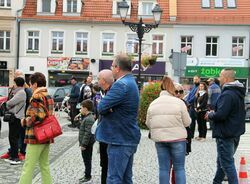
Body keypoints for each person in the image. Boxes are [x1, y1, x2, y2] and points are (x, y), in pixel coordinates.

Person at [95, 53, 141, 184]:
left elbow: (101, 107)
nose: (111, 68)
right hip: (127, 137)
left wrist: (109, 108)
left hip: (119, 139)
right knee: (126, 179)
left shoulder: (121, 84)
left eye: (112, 65)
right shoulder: (131, 82)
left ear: (117, 68)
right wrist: (110, 108)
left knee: (114, 179)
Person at [146, 76, 191, 184]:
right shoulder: (179, 102)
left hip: (160, 139)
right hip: (178, 139)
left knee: (163, 169)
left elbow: (148, 123)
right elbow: (187, 122)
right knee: (179, 168)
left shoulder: (153, 103)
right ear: (172, 89)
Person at [205, 68, 246, 184]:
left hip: (225, 134)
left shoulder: (228, 94)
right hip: (233, 133)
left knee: (227, 164)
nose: (219, 78)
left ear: (226, 78)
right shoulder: (237, 92)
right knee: (222, 163)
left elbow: (221, 115)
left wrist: (211, 115)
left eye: (220, 76)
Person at [19, 72, 54, 184]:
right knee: (44, 165)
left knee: (28, 166)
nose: (29, 86)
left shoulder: (37, 96)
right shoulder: (48, 95)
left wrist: (24, 121)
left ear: (34, 84)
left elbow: (37, 116)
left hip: (36, 136)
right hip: (47, 134)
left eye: (30, 84)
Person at [3, 77, 26, 165]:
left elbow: (9, 103)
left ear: (17, 84)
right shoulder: (18, 92)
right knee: (12, 137)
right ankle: (13, 156)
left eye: (14, 83)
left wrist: (8, 104)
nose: (13, 85)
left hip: (16, 117)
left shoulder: (21, 93)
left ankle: (15, 157)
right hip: (15, 117)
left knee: (13, 138)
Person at [97, 69, 114, 184]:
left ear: (103, 81)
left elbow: (106, 110)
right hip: (104, 134)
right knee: (104, 165)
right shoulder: (103, 92)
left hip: (111, 134)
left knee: (109, 165)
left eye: (98, 79)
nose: (97, 81)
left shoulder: (113, 92)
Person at [78, 99, 95, 183]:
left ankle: (87, 176)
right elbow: (82, 129)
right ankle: (86, 174)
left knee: (87, 160)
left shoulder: (89, 119)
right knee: (86, 160)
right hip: (85, 144)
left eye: (81, 108)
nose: (80, 110)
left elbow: (87, 133)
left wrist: (83, 144)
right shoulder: (87, 118)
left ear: (86, 108)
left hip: (87, 144)